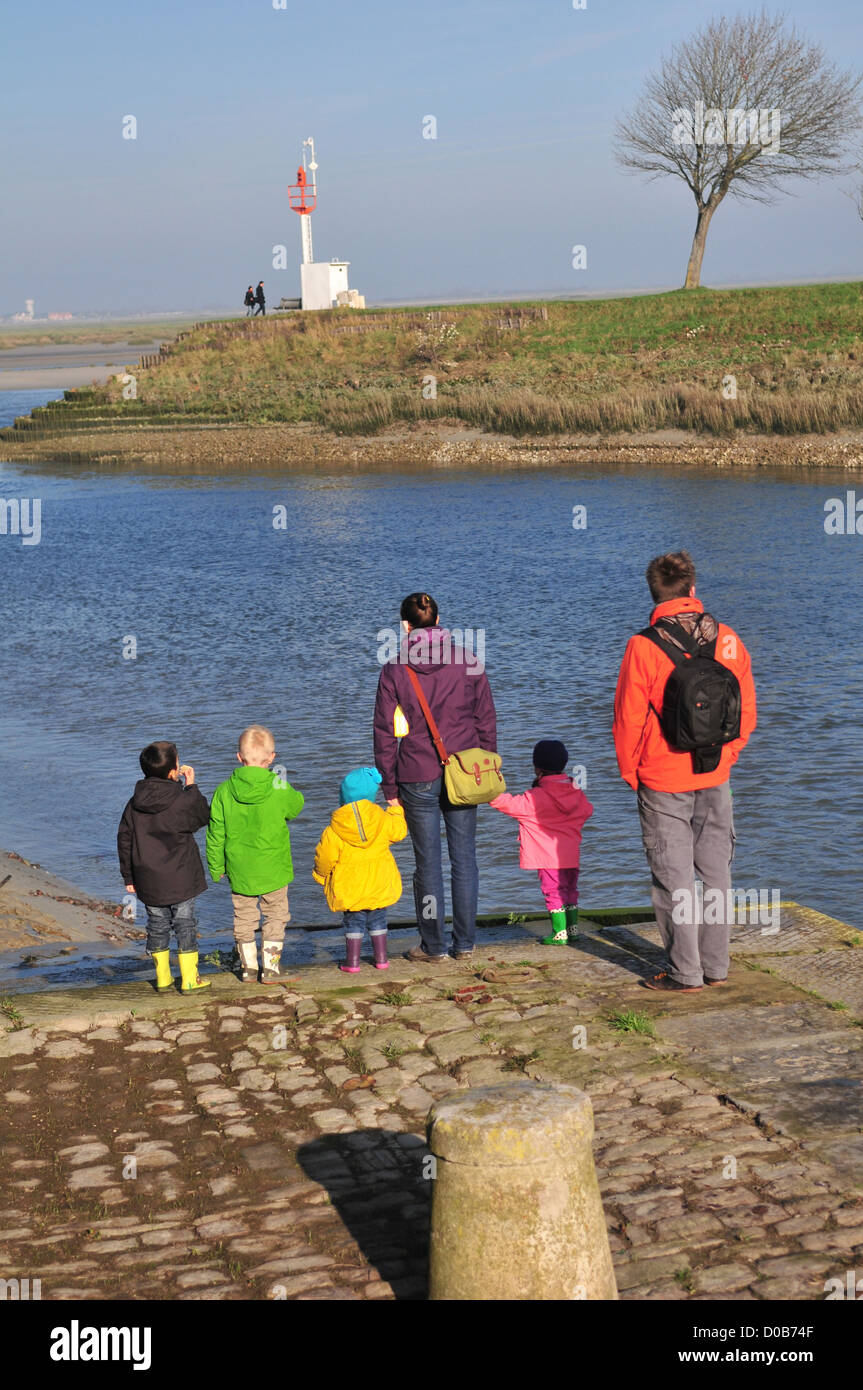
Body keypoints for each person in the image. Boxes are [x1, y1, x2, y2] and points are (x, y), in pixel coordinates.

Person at [613, 550, 756, 993]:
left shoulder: (643, 645)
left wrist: (632, 773)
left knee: (673, 878)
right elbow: (746, 711)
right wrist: (728, 756)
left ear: (655, 592)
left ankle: (684, 973)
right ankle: (716, 967)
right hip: (715, 775)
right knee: (716, 873)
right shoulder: (728, 639)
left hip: (662, 777)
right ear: (693, 590)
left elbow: (627, 719)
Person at [373, 591, 496, 964]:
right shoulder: (468, 660)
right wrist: (487, 765)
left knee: (427, 865)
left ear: (405, 626)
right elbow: (485, 719)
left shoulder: (395, 668)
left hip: (416, 773)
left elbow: (383, 733)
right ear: (439, 622)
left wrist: (389, 786)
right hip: (465, 771)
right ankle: (466, 944)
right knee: (465, 860)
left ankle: (433, 947)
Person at [206, 725, 304, 983]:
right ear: (271, 758)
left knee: (244, 916)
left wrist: (216, 866)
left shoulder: (224, 791)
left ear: (239, 757)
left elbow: (216, 833)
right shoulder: (277, 785)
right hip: (273, 866)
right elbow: (295, 807)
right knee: (276, 913)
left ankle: (249, 968)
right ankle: (271, 968)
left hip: (240, 868)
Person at [117, 740, 211, 995]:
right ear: (173, 772)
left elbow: (124, 839)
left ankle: (163, 978)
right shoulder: (180, 798)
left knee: (156, 925)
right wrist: (191, 785)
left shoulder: (134, 803)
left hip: (148, 877)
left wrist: (128, 875)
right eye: (178, 763)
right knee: (185, 924)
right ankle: (190, 979)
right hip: (180, 876)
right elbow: (202, 815)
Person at [490, 739, 593, 945]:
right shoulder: (575, 790)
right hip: (571, 853)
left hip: (547, 857)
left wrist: (489, 789)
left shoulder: (535, 797)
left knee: (552, 891)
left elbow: (507, 804)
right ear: (563, 764)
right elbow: (587, 810)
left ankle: (559, 933)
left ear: (537, 767)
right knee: (570, 890)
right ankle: (572, 930)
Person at [312, 765, 408, 973]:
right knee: (378, 918)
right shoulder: (382, 819)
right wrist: (397, 809)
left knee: (353, 923)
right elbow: (399, 831)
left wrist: (320, 875)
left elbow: (324, 857)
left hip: (350, 886)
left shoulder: (334, 829)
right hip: (379, 882)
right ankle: (381, 958)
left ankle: (352, 962)